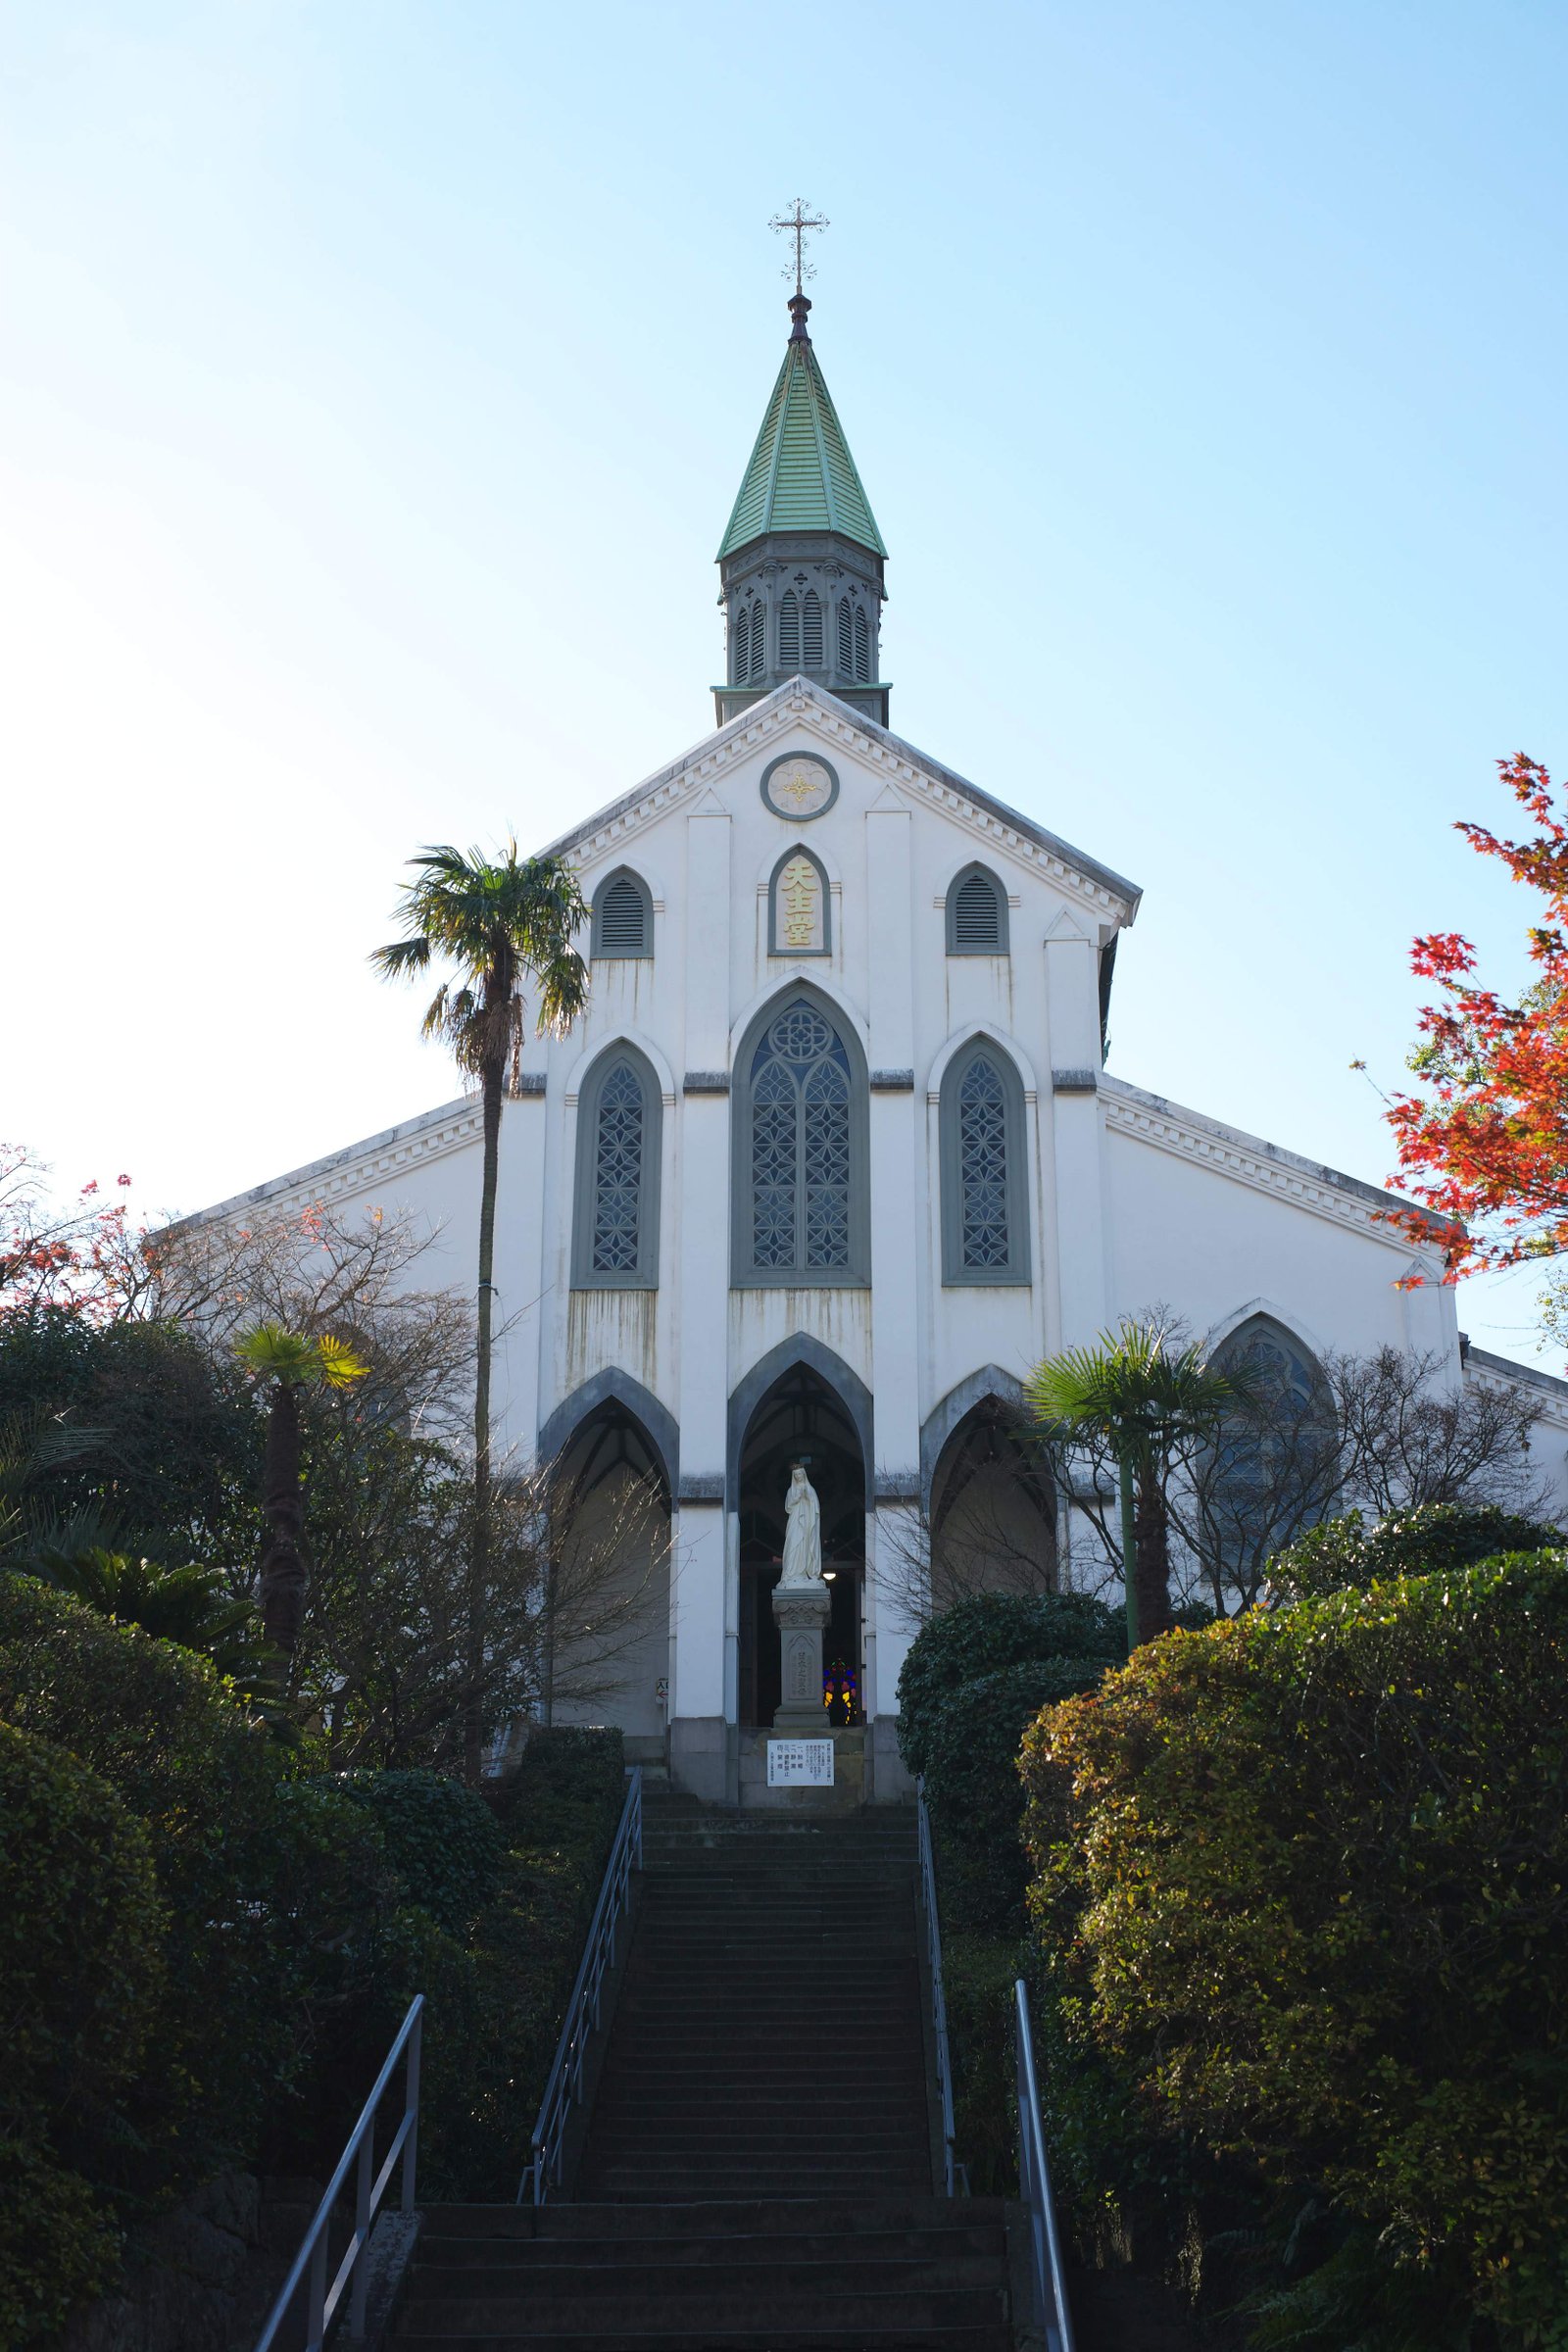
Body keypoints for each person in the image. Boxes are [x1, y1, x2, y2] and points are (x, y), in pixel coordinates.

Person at [778, 1462, 823, 1586]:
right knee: (793, 1543)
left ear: (804, 1475)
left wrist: (807, 1496)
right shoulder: (791, 1490)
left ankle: (804, 1573)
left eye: (800, 1474)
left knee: (805, 1544)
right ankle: (791, 1573)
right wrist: (797, 1496)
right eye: (796, 1475)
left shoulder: (810, 1489)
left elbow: (816, 1507)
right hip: (795, 1520)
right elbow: (788, 1506)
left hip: (807, 1521)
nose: (798, 1477)